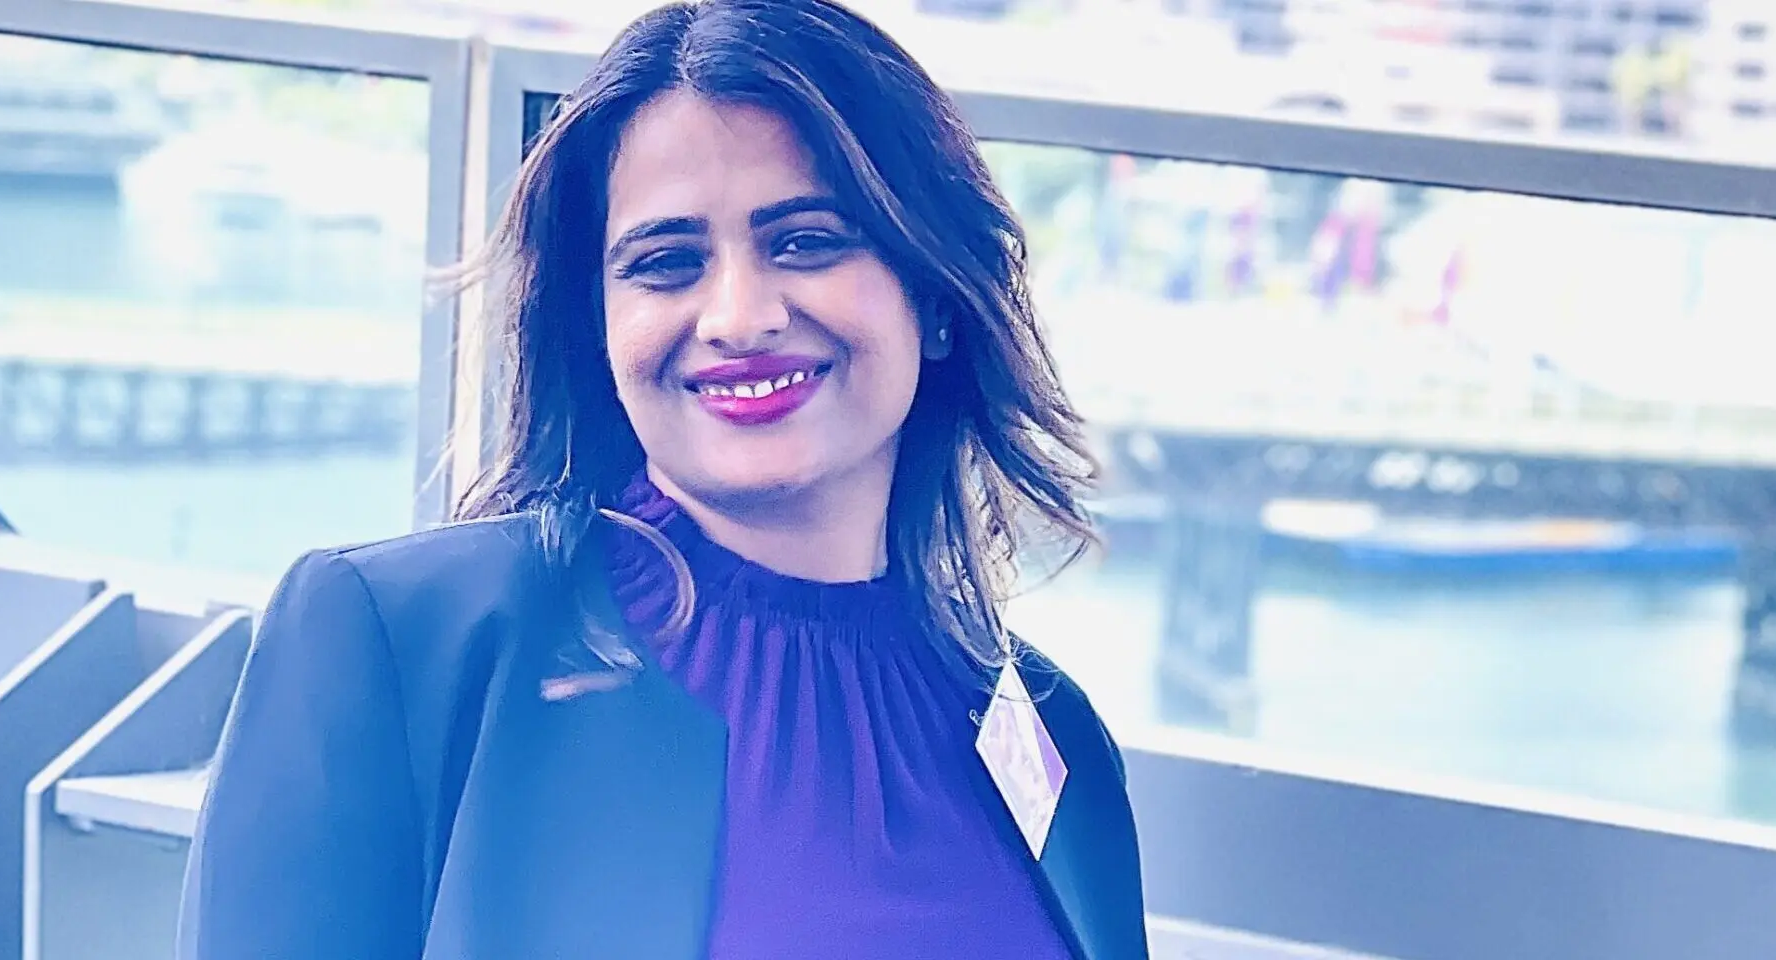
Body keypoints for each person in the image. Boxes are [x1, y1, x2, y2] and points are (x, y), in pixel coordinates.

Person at [177, 1, 1148, 957]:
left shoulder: (1054, 736)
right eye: (666, 262)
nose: (738, 317)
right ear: (597, 326)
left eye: (806, 241)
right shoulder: (394, 644)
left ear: (934, 296)